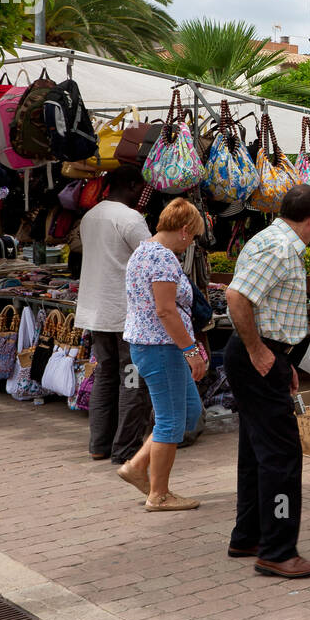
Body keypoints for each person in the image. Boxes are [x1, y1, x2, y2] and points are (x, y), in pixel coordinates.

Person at [224, 184, 310, 579]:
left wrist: (279, 357)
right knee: (281, 456)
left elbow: (263, 308)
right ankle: (278, 550)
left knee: (257, 450)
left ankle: (249, 535)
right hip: (257, 355)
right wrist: (259, 351)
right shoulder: (281, 247)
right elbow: (237, 297)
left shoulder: (273, 240)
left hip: (265, 353)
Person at [117, 198, 209, 511]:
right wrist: (191, 350)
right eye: (194, 236)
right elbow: (165, 310)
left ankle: (137, 466)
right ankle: (159, 494)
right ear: (184, 231)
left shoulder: (144, 251)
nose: (192, 242)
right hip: (161, 347)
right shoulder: (163, 259)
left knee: (189, 411)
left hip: (154, 345)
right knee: (171, 420)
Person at [76, 167, 154, 465]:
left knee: (105, 376)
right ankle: (125, 449)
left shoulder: (91, 216)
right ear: (132, 185)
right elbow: (150, 259)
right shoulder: (130, 218)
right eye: (140, 188)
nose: (141, 195)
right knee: (132, 379)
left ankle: (99, 445)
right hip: (125, 315)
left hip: (97, 312)